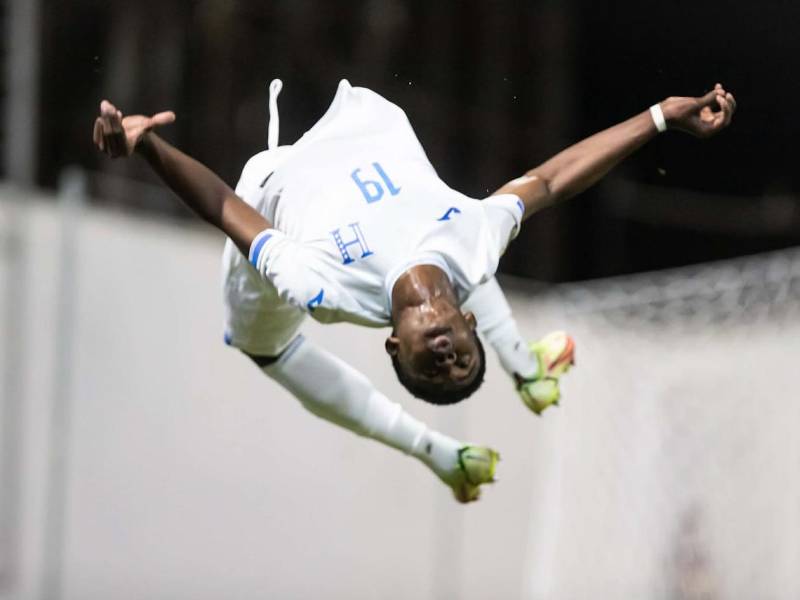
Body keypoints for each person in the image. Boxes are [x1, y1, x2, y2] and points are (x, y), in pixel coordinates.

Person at [93, 79, 735, 502]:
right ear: (467, 323)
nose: (449, 360)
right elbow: (551, 179)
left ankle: (438, 451)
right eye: (463, 360)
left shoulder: (321, 288)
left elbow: (223, 206)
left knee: (262, 346)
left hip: (271, 186)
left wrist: (147, 147)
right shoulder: (473, 246)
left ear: (395, 347)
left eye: (434, 369)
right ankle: (523, 365)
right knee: (472, 256)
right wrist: (660, 118)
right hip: (362, 114)